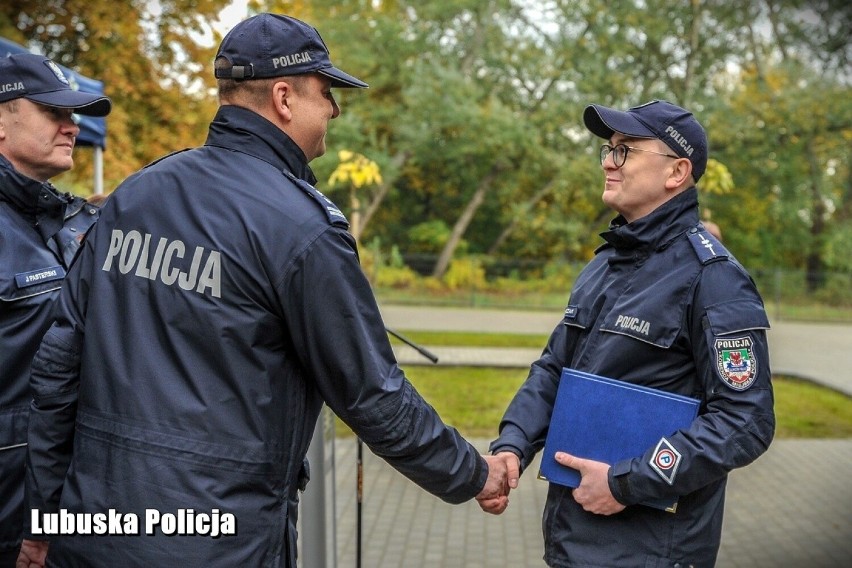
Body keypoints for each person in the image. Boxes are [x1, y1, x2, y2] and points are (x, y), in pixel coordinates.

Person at [19, 13, 516, 568]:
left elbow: (58, 370)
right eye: (326, 93)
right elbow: (373, 395)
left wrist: (43, 520)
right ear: (284, 96)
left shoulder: (135, 195)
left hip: (93, 532)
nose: (333, 110)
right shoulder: (302, 228)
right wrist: (472, 474)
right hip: (222, 544)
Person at [489, 100, 775, 566]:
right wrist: (512, 446)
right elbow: (553, 369)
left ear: (676, 172)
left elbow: (746, 420)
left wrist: (629, 482)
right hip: (573, 538)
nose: (607, 161)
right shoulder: (603, 266)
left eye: (626, 150)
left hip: (650, 548)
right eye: (608, 149)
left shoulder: (714, 278)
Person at [0, 53, 111, 568]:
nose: (74, 127)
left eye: (76, 115)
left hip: (67, 503)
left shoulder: (63, 220)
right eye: (54, 113)